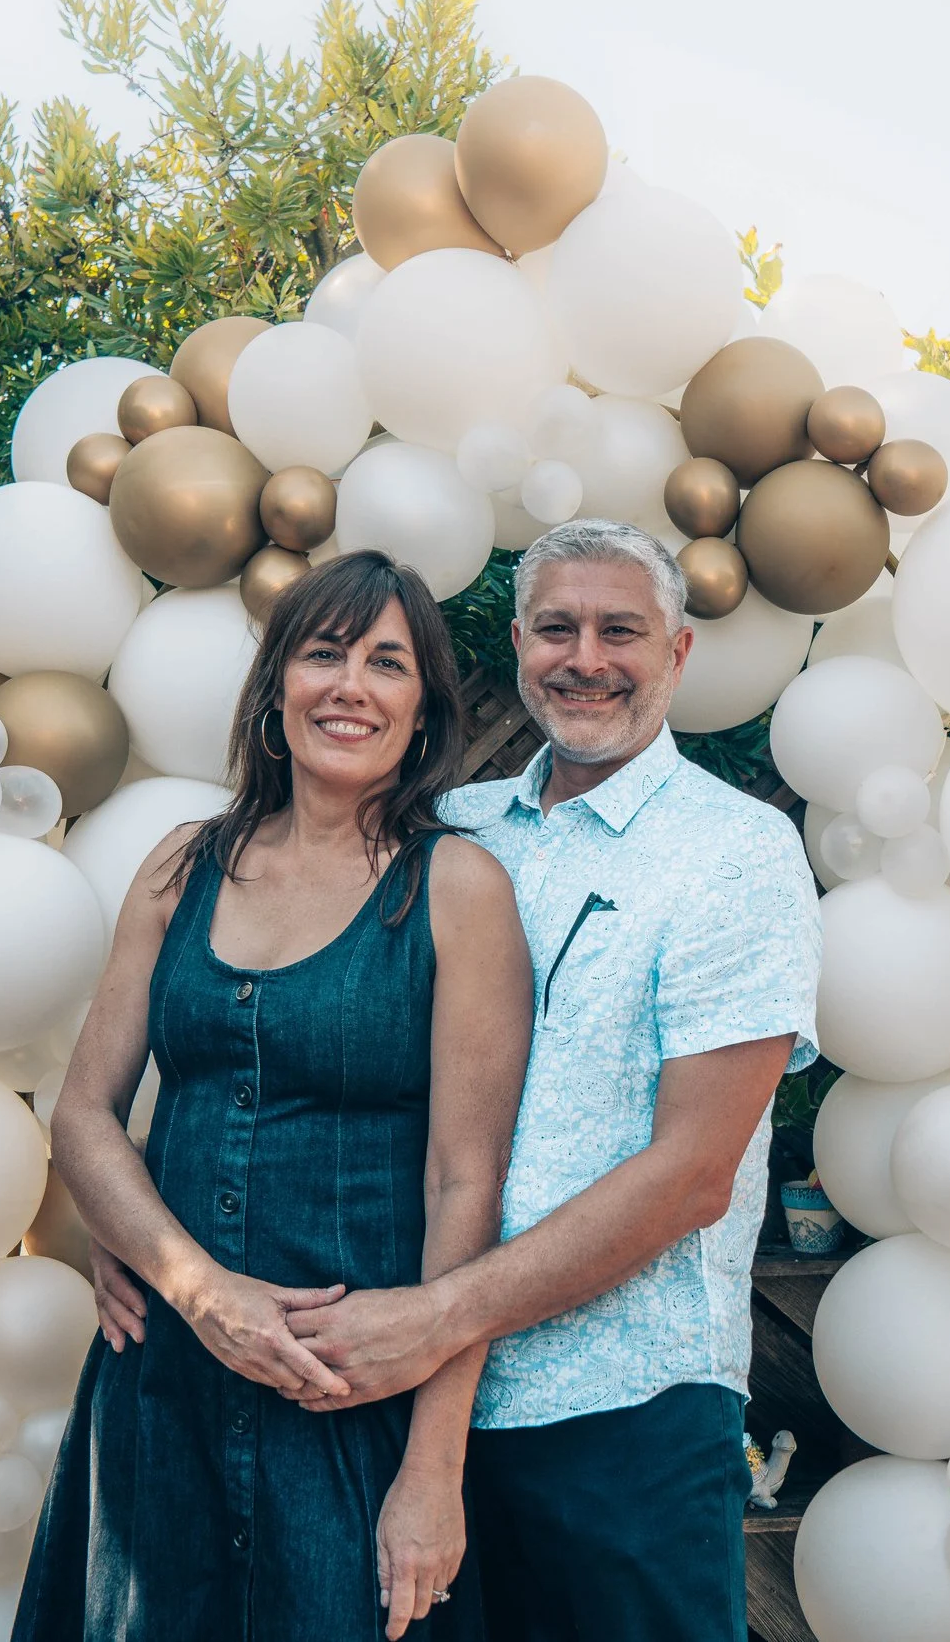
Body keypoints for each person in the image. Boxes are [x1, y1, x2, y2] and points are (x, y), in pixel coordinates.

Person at [287, 519, 826, 1640]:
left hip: (625, 1409)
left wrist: (433, 1316)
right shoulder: (450, 831)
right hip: (397, 1410)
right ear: (521, 647)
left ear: (676, 654)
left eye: (620, 629)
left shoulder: (737, 852)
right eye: (556, 628)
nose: (586, 656)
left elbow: (690, 1173)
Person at [13, 550, 533, 1642]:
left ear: (424, 708)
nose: (350, 684)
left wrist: (433, 1468)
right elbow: (84, 1114)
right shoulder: (176, 868)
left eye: (387, 661)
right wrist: (195, 1287)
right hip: (164, 1390)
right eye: (324, 652)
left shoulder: (458, 889)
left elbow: (464, 1182)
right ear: (276, 689)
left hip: (351, 1401)